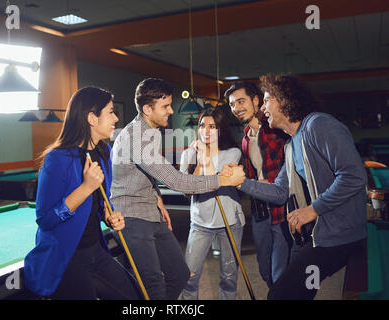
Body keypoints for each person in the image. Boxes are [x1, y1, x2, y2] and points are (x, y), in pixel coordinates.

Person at [232, 74, 367, 299]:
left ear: (284, 100)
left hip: (339, 238)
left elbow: (354, 175)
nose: (262, 108)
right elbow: (279, 192)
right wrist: (241, 183)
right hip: (317, 237)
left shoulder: (318, 124)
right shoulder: (292, 144)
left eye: (266, 100)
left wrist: (313, 209)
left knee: (282, 294)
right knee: (298, 290)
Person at [110, 78, 245, 300]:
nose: (171, 111)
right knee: (153, 285)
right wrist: (223, 180)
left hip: (150, 211)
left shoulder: (151, 131)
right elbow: (177, 181)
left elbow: (148, 175)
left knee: (180, 274)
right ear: (147, 109)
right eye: (165, 106)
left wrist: (158, 200)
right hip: (131, 217)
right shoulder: (136, 138)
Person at [23, 86, 142, 300]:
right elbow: (46, 219)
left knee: (135, 298)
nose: (115, 118)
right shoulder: (57, 159)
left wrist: (109, 215)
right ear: (91, 118)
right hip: (66, 257)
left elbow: (101, 202)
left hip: (96, 249)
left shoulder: (104, 152)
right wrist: (85, 188)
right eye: (111, 112)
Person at [224, 81, 291, 288]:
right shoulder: (245, 137)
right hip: (260, 210)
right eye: (232, 105)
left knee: (281, 272)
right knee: (264, 270)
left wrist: (264, 182)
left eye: (241, 101)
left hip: (282, 210)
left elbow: (289, 170)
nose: (236, 108)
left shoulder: (275, 129)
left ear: (256, 100)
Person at [179, 107, 246, 300]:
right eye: (202, 126)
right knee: (189, 276)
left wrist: (205, 158)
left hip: (229, 222)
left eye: (212, 126)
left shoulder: (232, 153)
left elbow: (212, 183)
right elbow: (187, 189)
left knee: (229, 276)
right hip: (200, 223)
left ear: (220, 130)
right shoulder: (188, 155)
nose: (205, 130)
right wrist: (199, 161)